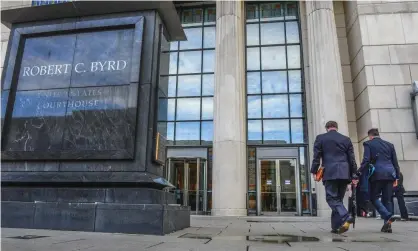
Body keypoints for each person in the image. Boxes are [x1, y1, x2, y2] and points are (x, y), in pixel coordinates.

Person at [311, 121, 358, 234]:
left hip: (330, 172)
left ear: (327, 128)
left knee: (331, 199)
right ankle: (336, 226)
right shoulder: (346, 139)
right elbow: (352, 159)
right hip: (344, 172)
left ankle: (346, 216)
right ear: (336, 127)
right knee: (338, 200)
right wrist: (354, 175)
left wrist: (314, 170)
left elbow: (316, 156)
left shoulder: (321, 138)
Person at [358, 128, 399, 233]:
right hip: (390, 174)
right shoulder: (389, 145)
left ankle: (387, 215)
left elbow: (366, 160)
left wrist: (359, 171)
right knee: (388, 199)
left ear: (370, 136)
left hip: (377, 174)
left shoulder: (368, 144)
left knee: (373, 197)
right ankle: (387, 225)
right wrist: (397, 177)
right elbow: (395, 162)